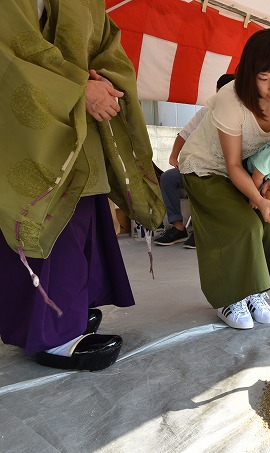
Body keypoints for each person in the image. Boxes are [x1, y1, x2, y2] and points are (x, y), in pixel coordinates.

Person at [0, 1, 164, 371]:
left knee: (83, 217)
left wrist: (104, 81)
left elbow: (105, 43)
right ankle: (55, 333)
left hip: (84, 120)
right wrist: (76, 87)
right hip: (37, 122)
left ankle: (68, 311)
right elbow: (11, 47)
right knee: (46, 215)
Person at [179, 29, 270, 330]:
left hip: (249, 172)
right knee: (240, 225)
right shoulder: (230, 99)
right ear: (249, 73)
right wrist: (257, 199)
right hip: (206, 169)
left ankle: (254, 291)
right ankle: (228, 298)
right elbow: (231, 165)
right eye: (264, 78)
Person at [155, 74, 235, 248]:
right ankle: (178, 227)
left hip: (222, 171)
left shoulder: (239, 114)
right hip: (195, 165)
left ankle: (203, 230)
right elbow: (184, 133)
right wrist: (173, 157)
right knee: (168, 178)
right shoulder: (208, 109)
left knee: (204, 183)